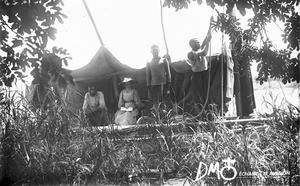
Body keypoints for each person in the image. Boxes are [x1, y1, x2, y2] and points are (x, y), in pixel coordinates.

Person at [187, 17, 213, 110]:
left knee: (206, 92)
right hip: (197, 75)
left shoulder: (200, 48)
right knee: (198, 94)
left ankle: (208, 111)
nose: (199, 43)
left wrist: (210, 24)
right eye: (196, 42)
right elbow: (204, 52)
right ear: (192, 45)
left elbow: (207, 36)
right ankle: (200, 110)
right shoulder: (191, 54)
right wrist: (208, 42)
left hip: (204, 73)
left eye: (198, 41)